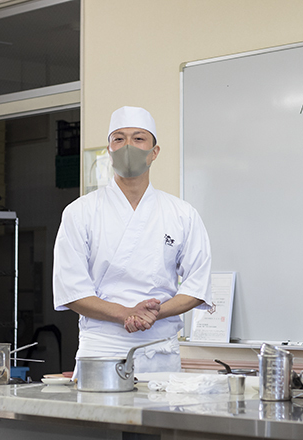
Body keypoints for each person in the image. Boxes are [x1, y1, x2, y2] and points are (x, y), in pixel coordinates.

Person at [53, 106, 212, 373]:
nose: (128, 146)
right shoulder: (80, 212)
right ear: (109, 150)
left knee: (159, 415)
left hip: (159, 349)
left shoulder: (182, 213)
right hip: (101, 350)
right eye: (119, 138)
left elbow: (197, 287)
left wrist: (152, 314)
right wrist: (124, 313)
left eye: (138, 139)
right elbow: (71, 291)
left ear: (154, 152)